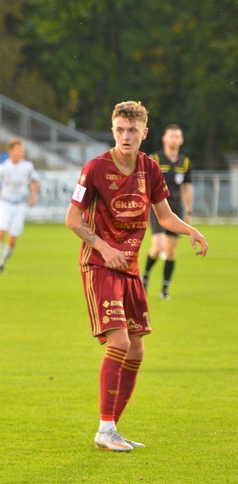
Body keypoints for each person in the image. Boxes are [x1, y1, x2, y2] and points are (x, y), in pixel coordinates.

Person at [65, 101, 208, 452]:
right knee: (120, 343)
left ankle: (113, 429)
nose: (125, 136)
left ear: (144, 132)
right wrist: (102, 247)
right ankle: (104, 427)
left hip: (128, 269)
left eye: (132, 130)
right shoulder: (95, 168)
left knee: (138, 349)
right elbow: (72, 220)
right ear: (112, 130)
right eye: (119, 130)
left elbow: (165, 215)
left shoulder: (150, 168)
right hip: (100, 265)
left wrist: (191, 231)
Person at [142, 125, 194, 300]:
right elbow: (144, 183)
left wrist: (189, 211)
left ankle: (164, 289)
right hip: (157, 207)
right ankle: (146, 276)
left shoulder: (185, 162)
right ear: (164, 139)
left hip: (176, 208)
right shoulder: (155, 158)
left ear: (181, 140)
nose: (174, 139)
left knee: (171, 251)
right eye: (171, 136)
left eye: (177, 136)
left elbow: (187, 188)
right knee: (158, 247)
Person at [0, 137, 38, 274]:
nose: (21, 153)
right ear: (11, 151)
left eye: (22, 151)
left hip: (19, 205)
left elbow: (34, 181)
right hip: (5, 204)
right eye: (19, 150)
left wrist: (33, 196)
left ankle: (1, 264)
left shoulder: (27, 167)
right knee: (1, 232)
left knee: (13, 238)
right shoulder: (2, 168)